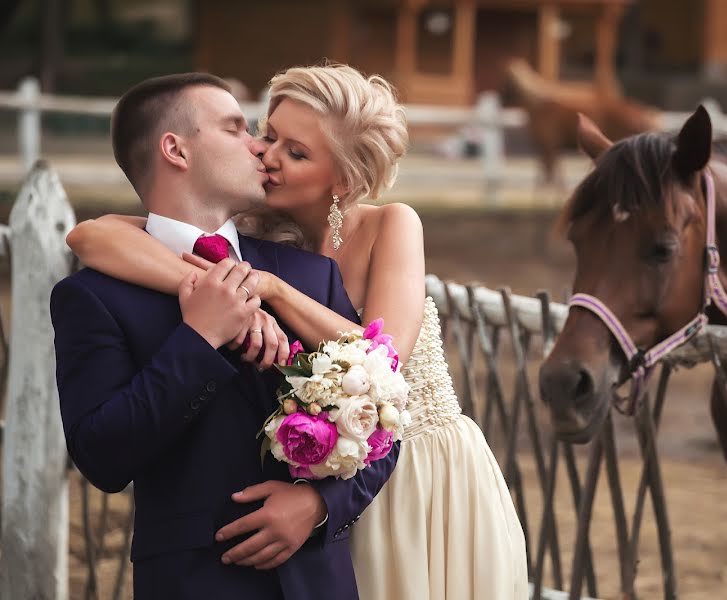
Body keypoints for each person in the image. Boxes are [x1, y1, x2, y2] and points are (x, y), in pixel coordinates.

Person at [66, 64, 529, 599]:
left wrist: (272, 292)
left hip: (417, 478)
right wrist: (217, 302)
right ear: (176, 150)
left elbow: (383, 372)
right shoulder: (245, 240)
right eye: (263, 134)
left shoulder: (363, 242)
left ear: (344, 181)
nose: (264, 153)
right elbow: (93, 234)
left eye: (296, 152)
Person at [51, 73, 399, 600]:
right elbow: (101, 457)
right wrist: (198, 337)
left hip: (317, 578)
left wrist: (321, 504)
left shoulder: (308, 277)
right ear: (176, 149)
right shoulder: (95, 296)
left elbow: (386, 411)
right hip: (194, 580)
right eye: (236, 128)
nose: (259, 146)